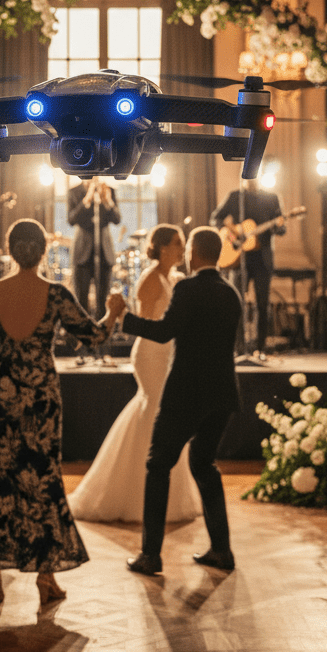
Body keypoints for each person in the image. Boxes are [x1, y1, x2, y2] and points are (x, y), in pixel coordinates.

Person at [0, 218, 121, 608]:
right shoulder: (56, 293)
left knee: (3, 478)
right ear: (44, 252)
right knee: (44, 479)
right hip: (42, 395)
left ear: (10, 251)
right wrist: (113, 311)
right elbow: (94, 336)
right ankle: (46, 576)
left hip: (5, 391)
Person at [108, 226, 243, 576]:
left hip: (186, 393)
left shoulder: (187, 288)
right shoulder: (231, 293)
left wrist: (124, 318)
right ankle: (222, 550)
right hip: (223, 394)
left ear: (194, 253)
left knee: (158, 465)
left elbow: (164, 331)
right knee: (204, 465)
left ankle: (150, 555)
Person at [68, 224, 202, 524]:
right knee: (154, 410)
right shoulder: (150, 280)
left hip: (169, 354)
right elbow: (145, 324)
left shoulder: (175, 279)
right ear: (163, 248)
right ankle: (138, 491)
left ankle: (164, 490)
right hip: (151, 354)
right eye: (178, 243)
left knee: (162, 413)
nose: (182, 249)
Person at [211, 179, 284, 353]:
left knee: (263, 305)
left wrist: (276, 227)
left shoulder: (271, 198)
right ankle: (238, 347)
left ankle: (260, 348)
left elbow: (281, 229)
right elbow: (216, 218)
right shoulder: (235, 197)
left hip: (262, 260)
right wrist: (232, 236)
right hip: (239, 259)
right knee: (235, 303)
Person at [68, 177, 121, 319]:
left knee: (103, 301)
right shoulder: (74, 192)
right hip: (82, 252)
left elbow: (117, 219)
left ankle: (102, 329)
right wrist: (87, 198)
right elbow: (71, 219)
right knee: (81, 300)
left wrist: (108, 201)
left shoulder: (108, 190)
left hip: (104, 251)